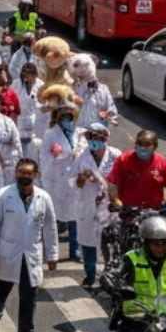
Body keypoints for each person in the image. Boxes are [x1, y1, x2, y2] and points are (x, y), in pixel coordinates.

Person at [0, 158, 58, 332]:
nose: (24, 177)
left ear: (36, 175)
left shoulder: (44, 198)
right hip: (6, 252)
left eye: (28, 173)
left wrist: (52, 255)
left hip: (30, 254)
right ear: (15, 173)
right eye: (21, 173)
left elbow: (50, 227)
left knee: (28, 297)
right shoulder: (2, 196)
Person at [69, 123, 120, 290]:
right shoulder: (82, 158)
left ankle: (110, 272)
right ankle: (90, 274)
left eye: (97, 138)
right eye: (90, 138)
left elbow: (123, 178)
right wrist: (82, 179)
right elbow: (72, 182)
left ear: (105, 138)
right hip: (89, 204)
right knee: (88, 240)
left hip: (109, 205)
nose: (93, 141)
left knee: (110, 240)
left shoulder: (115, 155)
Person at [39, 105, 83, 261]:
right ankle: (50, 253)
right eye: (64, 118)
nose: (67, 121)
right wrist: (56, 155)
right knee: (53, 217)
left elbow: (84, 152)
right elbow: (44, 157)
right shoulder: (50, 134)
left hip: (74, 181)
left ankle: (74, 251)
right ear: (58, 119)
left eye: (70, 118)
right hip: (56, 180)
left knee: (74, 217)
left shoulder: (79, 133)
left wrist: (77, 152)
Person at [107, 130, 166, 212]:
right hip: (129, 212)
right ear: (135, 144)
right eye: (140, 143)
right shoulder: (123, 160)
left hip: (154, 213)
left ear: (155, 147)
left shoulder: (163, 162)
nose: (143, 147)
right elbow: (113, 183)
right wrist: (116, 202)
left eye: (147, 144)